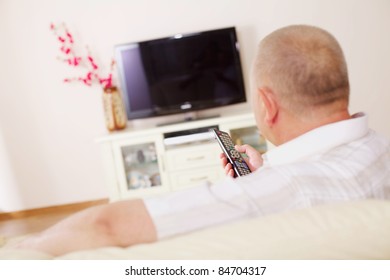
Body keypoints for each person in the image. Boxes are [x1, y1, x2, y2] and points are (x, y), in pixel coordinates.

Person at [13, 25, 390, 256]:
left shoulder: (281, 191)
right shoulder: (379, 146)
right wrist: (266, 168)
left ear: (265, 104)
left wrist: (19, 249)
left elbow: (105, 227)